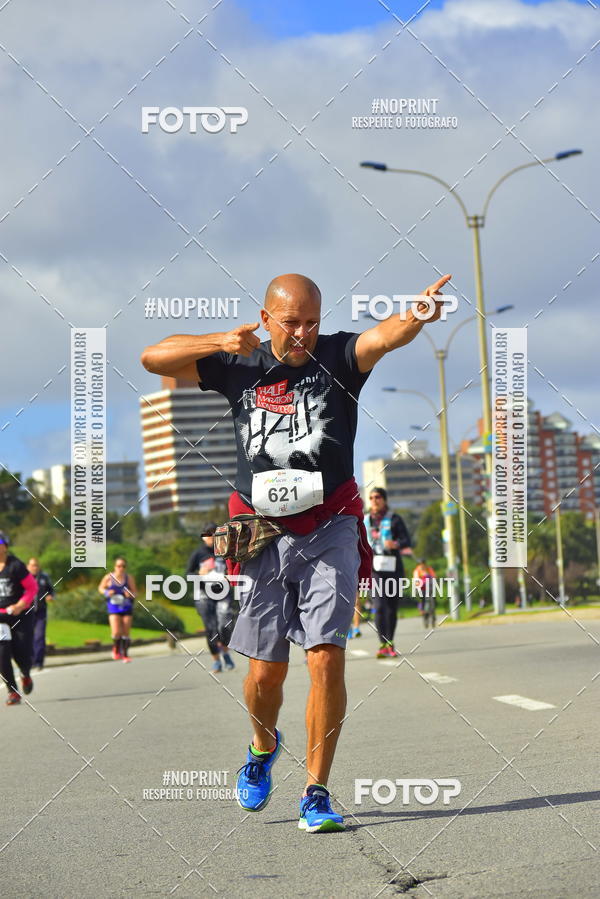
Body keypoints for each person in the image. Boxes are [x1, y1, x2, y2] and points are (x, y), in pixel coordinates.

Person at [141, 270, 451, 832]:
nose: (303, 332)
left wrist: (417, 315)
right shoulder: (239, 364)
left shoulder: (338, 357)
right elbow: (152, 358)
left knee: (325, 655)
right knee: (264, 675)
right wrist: (219, 342)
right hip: (260, 532)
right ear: (266, 319)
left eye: (311, 320)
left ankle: (316, 791)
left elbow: (385, 335)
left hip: (329, 524)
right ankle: (262, 747)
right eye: (291, 322)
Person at [364, 488, 412, 658]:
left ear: (384, 499)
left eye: (377, 497)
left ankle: (390, 643)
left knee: (391, 608)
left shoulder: (394, 519)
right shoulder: (364, 521)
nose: (374, 500)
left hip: (393, 568)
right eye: (371, 498)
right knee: (379, 606)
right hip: (374, 570)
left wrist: (396, 544)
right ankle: (382, 644)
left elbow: (407, 540)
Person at [187, 522, 236, 673]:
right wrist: (198, 574)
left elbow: (235, 569)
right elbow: (187, 575)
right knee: (211, 629)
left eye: (214, 534)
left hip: (223, 592)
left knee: (224, 626)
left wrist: (231, 577)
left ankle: (226, 653)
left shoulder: (226, 551)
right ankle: (216, 661)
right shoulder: (198, 554)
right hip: (204, 594)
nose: (211, 537)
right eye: (208, 535)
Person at [0, 531, 38, 705]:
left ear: (5, 546)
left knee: (22, 651)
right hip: (0, 618)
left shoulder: (16, 566)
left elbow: (32, 588)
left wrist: (19, 605)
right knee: (2, 654)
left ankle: (25, 673)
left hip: (19, 615)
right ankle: (13, 692)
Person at [98, 557, 137, 662]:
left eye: (123, 566)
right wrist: (107, 592)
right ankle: (116, 648)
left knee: (125, 632)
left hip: (126, 606)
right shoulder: (108, 578)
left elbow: (135, 592)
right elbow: (100, 588)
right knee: (116, 632)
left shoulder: (129, 578)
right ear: (115, 567)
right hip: (113, 607)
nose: (121, 568)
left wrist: (130, 594)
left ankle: (125, 654)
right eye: (119, 566)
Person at [27, 558, 55, 671]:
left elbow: (51, 590)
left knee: (39, 636)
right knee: (27, 637)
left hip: (41, 612)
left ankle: (39, 662)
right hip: (26, 612)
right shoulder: (23, 577)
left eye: (36, 565)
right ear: (28, 566)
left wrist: (50, 596)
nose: (35, 567)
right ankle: (30, 661)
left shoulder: (44, 577)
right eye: (32, 565)